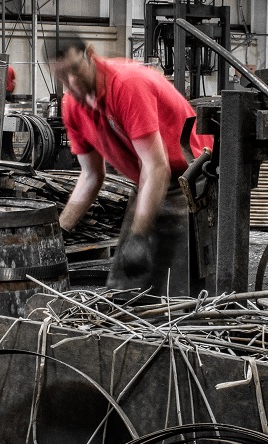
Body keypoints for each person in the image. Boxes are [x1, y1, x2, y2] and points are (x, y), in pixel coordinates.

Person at [47, 37, 214, 299]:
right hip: (150, 181)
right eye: (61, 77)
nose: (72, 83)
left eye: (75, 70)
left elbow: (157, 167)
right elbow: (91, 175)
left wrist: (139, 234)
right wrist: (60, 231)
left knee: (181, 296)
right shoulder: (73, 107)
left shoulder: (127, 85)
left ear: (90, 54)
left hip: (193, 181)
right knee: (127, 293)